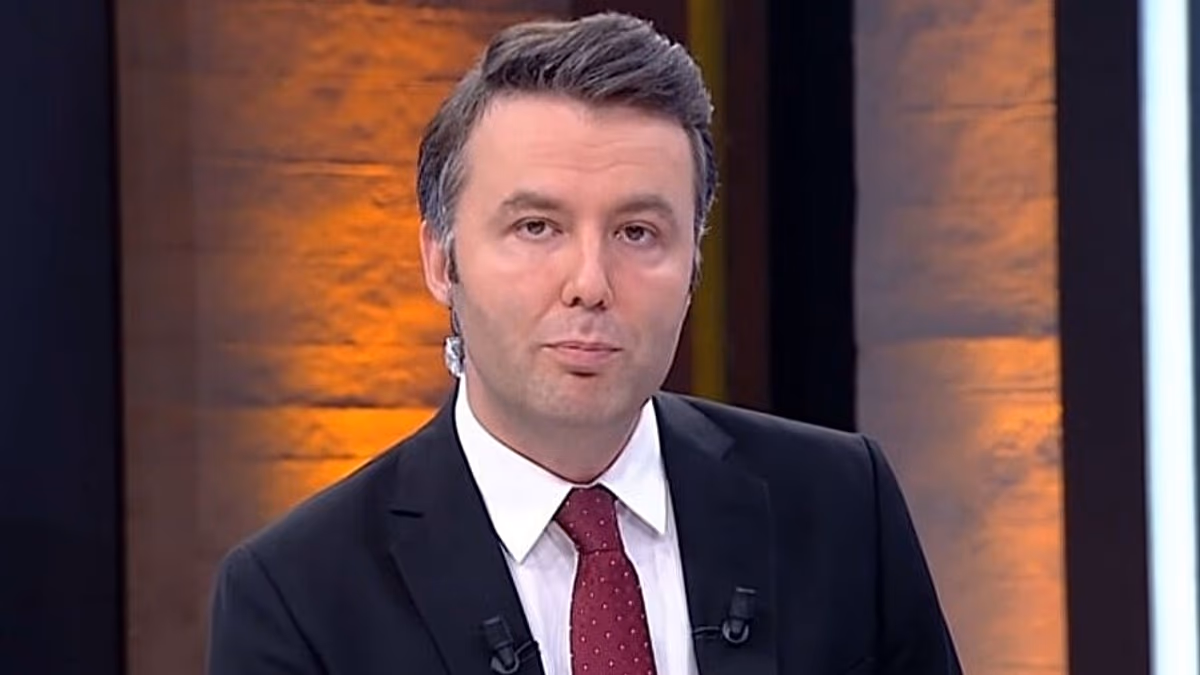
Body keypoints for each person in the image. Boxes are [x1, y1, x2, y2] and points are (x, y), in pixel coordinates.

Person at [207, 12, 961, 675]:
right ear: (441, 261)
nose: (590, 282)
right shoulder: (299, 595)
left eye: (638, 232)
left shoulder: (841, 506)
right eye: (537, 227)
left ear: (694, 265)